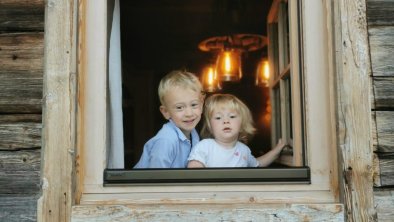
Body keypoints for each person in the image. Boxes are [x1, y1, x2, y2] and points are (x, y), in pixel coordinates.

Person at [187, 93, 285, 168]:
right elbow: (194, 168)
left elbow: (258, 164)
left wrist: (276, 151)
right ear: (210, 127)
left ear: (242, 124)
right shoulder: (205, 146)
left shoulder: (244, 150)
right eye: (218, 118)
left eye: (232, 116)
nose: (226, 121)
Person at [134, 70, 205, 168]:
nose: (189, 113)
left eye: (194, 105)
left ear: (201, 105)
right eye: (179, 107)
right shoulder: (166, 141)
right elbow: (156, 179)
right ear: (166, 112)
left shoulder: (193, 134)